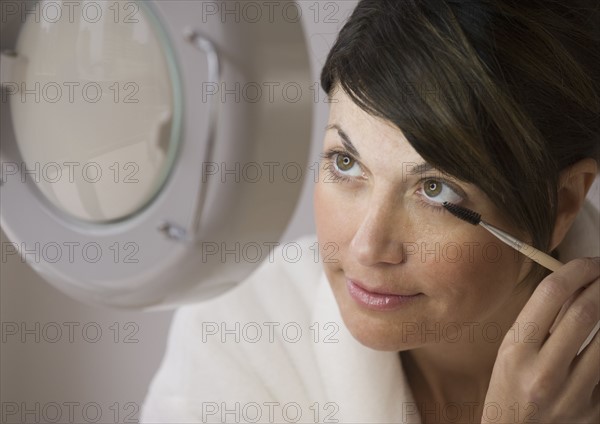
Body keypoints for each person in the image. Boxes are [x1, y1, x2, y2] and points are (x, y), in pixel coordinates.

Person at [141, 1, 599, 422]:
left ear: (562, 202)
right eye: (346, 162)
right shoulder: (240, 336)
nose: (366, 248)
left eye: (436, 191)